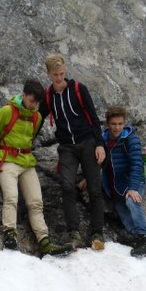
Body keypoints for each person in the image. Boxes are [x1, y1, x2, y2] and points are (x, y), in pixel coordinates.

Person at [0, 79, 73, 257]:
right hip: (7, 160)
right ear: (23, 95)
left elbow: (31, 139)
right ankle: (10, 233)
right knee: (11, 197)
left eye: (37, 102)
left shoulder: (37, 117)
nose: (34, 105)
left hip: (27, 162)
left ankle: (44, 241)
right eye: (31, 100)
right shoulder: (6, 112)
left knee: (36, 202)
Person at [40, 54, 106, 250]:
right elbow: (37, 119)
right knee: (67, 186)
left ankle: (97, 233)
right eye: (55, 75)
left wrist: (100, 144)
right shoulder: (48, 96)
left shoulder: (79, 89)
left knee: (94, 188)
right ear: (48, 74)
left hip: (87, 143)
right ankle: (74, 233)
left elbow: (94, 118)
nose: (59, 78)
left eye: (61, 74)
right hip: (67, 147)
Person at [100, 106, 146, 265]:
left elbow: (137, 165)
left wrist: (132, 188)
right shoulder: (103, 139)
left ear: (124, 123)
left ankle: (142, 242)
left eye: (120, 123)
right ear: (107, 124)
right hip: (115, 187)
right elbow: (100, 162)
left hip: (133, 181)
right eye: (113, 124)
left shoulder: (130, 139)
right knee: (126, 220)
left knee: (132, 201)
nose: (117, 127)